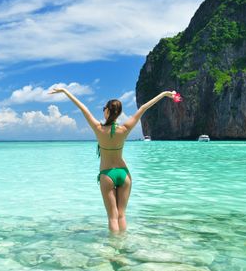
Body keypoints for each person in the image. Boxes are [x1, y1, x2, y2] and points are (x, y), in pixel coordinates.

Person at [49, 88, 178, 232]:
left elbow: (82, 107)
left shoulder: (98, 129)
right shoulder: (125, 129)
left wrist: (65, 91)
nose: (103, 110)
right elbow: (144, 107)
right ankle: (122, 246)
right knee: (121, 215)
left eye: (104, 108)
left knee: (112, 217)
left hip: (107, 174)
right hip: (124, 174)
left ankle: (113, 252)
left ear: (108, 112)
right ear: (119, 113)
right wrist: (165, 94)